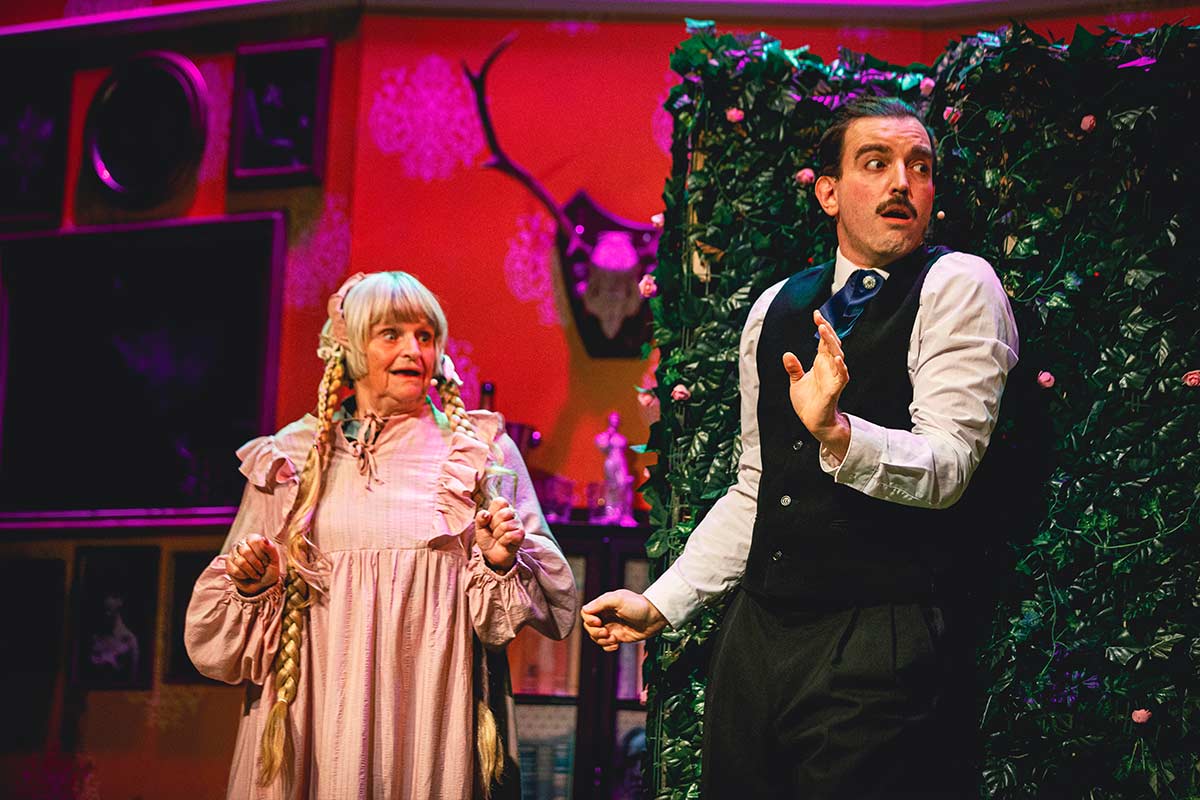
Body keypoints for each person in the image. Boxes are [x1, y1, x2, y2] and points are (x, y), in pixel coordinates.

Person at [581, 97, 1020, 798]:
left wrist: (838, 434)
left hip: (877, 636)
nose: (901, 182)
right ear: (829, 193)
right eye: (875, 163)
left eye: (919, 166)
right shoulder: (776, 307)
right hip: (757, 638)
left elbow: (948, 465)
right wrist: (660, 603)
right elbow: (758, 487)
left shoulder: (956, 284)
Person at [186, 271, 579, 799]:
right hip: (317, 718)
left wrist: (500, 562)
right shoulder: (291, 457)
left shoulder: (479, 452)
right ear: (350, 347)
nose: (414, 350)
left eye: (425, 335)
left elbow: (554, 603)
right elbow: (220, 638)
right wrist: (255, 583)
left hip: (430, 724)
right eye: (391, 334)